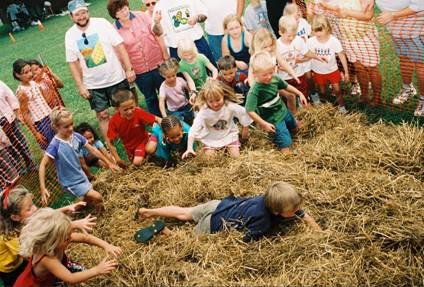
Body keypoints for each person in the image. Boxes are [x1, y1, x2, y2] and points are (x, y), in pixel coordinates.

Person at [137, 181, 321, 242]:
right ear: (276, 212)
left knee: (185, 213)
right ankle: (165, 231)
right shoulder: (264, 220)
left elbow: (300, 213)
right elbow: (247, 238)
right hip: (214, 224)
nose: (298, 211)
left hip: (220, 205)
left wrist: (316, 229)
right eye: (294, 209)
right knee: (191, 241)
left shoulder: (268, 197)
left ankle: (149, 211)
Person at [65, 0, 135, 141]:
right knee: (102, 115)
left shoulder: (102, 23)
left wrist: (129, 69)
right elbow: (73, 63)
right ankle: (111, 143)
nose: (81, 16)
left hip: (116, 77)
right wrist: (80, 85)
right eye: (77, 14)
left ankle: (132, 135)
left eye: (84, 12)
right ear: (71, 16)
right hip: (93, 84)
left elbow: (120, 46)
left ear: (88, 12)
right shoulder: (70, 35)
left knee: (124, 109)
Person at [0, 187, 96, 287]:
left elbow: (45, 218)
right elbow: (30, 252)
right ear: (15, 217)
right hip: (11, 269)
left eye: (32, 204)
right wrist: (72, 225)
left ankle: (61, 272)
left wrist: (67, 208)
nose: (35, 208)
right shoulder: (11, 237)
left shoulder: (24, 219)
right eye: (29, 208)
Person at [39, 107, 120, 211]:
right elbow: (42, 165)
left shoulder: (76, 136)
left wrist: (109, 163)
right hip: (70, 182)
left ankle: (71, 213)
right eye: (66, 126)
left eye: (72, 124)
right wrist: (42, 188)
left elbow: (94, 151)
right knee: (98, 197)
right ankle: (103, 214)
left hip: (81, 176)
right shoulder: (55, 145)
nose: (71, 128)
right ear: (56, 127)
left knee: (86, 201)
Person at [14, 208, 121, 287]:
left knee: (78, 271)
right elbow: (70, 278)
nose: (70, 238)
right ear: (52, 242)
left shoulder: (60, 240)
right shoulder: (47, 259)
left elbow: (85, 238)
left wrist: (107, 245)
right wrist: (97, 270)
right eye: (66, 238)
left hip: (55, 273)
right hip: (37, 284)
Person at [107, 0, 167, 117]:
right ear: (115, 14)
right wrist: (128, 70)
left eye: (124, 8)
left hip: (157, 63)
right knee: (150, 97)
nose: (124, 12)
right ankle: (158, 121)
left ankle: (173, 115)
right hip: (139, 70)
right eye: (119, 11)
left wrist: (165, 54)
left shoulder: (142, 16)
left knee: (165, 92)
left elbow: (157, 34)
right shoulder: (114, 29)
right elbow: (119, 54)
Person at [319, 0, 383, 106]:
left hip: (365, 37)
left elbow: (368, 15)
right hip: (347, 38)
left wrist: (347, 12)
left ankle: (377, 99)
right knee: (359, 67)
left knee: (372, 68)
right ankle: (364, 96)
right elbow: (335, 10)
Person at [246, 51, 308, 152]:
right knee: (285, 143)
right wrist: (263, 124)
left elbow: (287, 86)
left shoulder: (274, 79)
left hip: (284, 111)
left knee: (294, 126)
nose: (269, 76)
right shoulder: (255, 91)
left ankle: (294, 135)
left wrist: (300, 94)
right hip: (274, 120)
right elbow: (249, 110)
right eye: (264, 75)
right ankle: (286, 153)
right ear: (255, 74)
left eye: (271, 72)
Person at [375, 0, 424, 117]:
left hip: (416, 29)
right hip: (396, 29)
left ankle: (423, 99)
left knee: (421, 65)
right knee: (404, 59)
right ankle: (408, 88)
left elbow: (420, 5)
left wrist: (393, 15)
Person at [182, 79, 252, 159]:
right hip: (211, 138)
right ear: (206, 100)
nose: (215, 104)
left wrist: (245, 128)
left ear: (223, 95)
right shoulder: (204, 111)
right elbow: (194, 128)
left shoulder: (229, 106)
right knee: (210, 160)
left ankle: (231, 146)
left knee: (235, 157)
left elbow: (243, 113)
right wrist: (189, 148)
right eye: (211, 101)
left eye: (218, 100)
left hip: (229, 134)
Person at [276, 16, 326, 107]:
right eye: (289, 36)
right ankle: (293, 115)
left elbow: (306, 52)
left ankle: (304, 109)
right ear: (280, 32)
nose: (292, 38)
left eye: (294, 35)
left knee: (303, 93)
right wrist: (279, 68)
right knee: (290, 98)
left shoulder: (298, 40)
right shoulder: (276, 45)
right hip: (285, 78)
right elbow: (274, 64)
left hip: (299, 74)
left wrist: (317, 57)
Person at [248, 28, 299, 114]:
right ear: (258, 46)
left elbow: (283, 62)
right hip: (265, 86)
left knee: (291, 96)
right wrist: (255, 90)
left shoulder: (273, 51)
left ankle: (294, 117)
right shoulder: (256, 58)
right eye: (265, 47)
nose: (268, 49)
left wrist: (293, 74)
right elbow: (250, 77)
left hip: (274, 81)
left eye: (270, 45)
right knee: (278, 101)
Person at [106, 90, 162, 167]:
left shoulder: (138, 112)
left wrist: (166, 130)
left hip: (143, 140)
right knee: (137, 164)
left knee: (146, 153)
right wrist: (117, 159)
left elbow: (157, 119)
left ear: (135, 103)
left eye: (132, 107)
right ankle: (147, 156)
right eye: (125, 110)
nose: (130, 111)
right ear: (117, 109)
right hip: (130, 148)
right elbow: (109, 141)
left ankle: (156, 139)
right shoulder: (113, 121)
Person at [307, 15, 350, 112]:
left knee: (337, 90)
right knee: (322, 90)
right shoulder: (310, 41)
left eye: (320, 30)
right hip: (318, 71)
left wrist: (346, 72)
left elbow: (341, 56)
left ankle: (342, 107)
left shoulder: (334, 41)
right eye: (315, 31)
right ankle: (326, 107)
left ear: (327, 28)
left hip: (332, 70)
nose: (317, 34)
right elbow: (307, 53)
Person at [151, 0, 215, 64]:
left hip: (197, 42)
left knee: (210, 68)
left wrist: (197, 18)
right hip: (176, 48)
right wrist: (157, 23)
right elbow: (157, 32)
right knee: (182, 73)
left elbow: (204, 14)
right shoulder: (160, 5)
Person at [13, 59, 54, 150]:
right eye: (25, 72)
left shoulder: (34, 83)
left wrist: (51, 87)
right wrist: (36, 134)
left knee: (60, 142)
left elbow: (44, 101)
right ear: (17, 75)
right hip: (41, 123)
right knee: (51, 148)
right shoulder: (22, 92)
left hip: (50, 116)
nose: (30, 74)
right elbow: (25, 114)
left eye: (30, 71)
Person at [283, 3, 318, 104]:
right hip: (295, 59)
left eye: (298, 15)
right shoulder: (287, 28)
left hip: (305, 56)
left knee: (309, 77)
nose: (298, 18)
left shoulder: (303, 22)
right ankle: (302, 98)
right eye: (295, 17)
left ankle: (314, 94)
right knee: (299, 80)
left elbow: (310, 33)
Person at [0, 80, 34, 174]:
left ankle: (31, 164)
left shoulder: (0, 84)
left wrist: (18, 112)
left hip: (10, 118)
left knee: (21, 142)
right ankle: (18, 169)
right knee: (7, 147)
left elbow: (11, 97)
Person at [158, 59, 194, 124]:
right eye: (168, 77)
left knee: (192, 120)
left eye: (173, 75)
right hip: (174, 110)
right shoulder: (163, 87)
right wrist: (165, 117)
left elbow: (189, 89)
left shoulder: (180, 80)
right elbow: (161, 103)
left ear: (176, 73)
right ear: (163, 75)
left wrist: (192, 96)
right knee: (179, 124)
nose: (172, 78)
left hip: (185, 105)